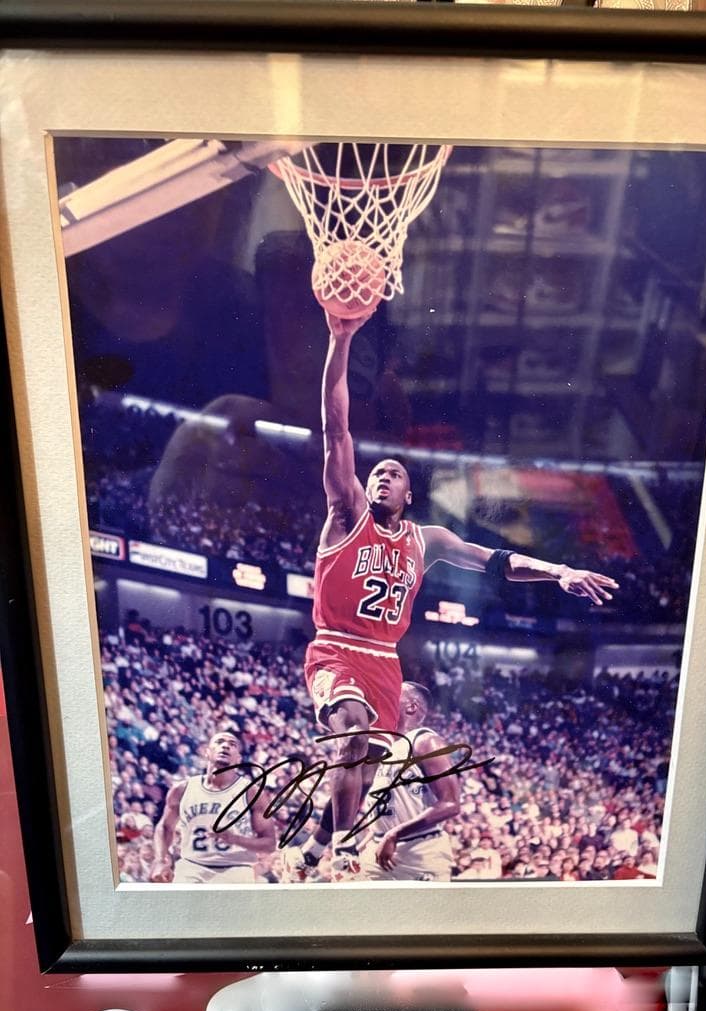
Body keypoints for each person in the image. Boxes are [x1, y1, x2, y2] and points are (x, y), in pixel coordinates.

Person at [284, 310, 619, 882]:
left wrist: (558, 570)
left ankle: (317, 845)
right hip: (337, 646)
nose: (381, 477)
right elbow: (335, 427)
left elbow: (497, 562)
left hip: (385, 658)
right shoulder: (346, 514)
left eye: (393, 474)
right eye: (376, 472)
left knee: (367, 767)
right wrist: (340, 341)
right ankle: (340, 849)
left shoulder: (427, 539)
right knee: (352, 731)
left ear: (409, 495)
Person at [357, 683, 460, 883]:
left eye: (391, 693)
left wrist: (394, 834)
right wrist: (367, 840)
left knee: (422, 906)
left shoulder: (425, 741)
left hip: (420, 852)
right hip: (378, 849)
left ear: (411, 707)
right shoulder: (381, 745)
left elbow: (451, 804)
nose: (381, 698)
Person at [150, 731, 276, 883]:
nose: (225, 746)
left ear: (239, 759)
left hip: (236, 868)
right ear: (207, 752)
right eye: (220, 742)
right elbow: (165, 827)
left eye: (232, 744)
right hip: (192, 866)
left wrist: (234, 839)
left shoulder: (252, 792)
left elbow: (269, 844)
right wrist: (159, 860)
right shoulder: (182, 789)